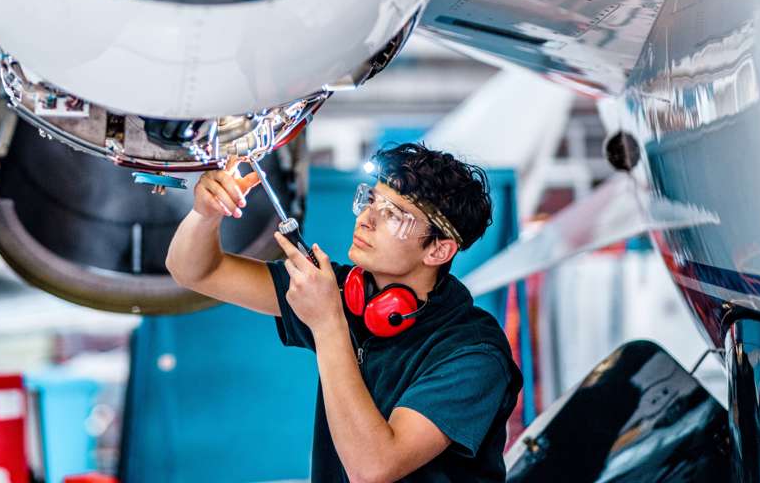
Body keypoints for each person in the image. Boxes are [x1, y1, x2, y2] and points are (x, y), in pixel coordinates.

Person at [166, 143, 522, 483]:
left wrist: (327, 323)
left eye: (393, 215)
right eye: (372, 201)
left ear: (438, 250)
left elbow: (373, 469)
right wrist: (205, 215)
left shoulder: (473, 353)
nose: (366, 219)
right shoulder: (342, 293)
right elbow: (196, 271)